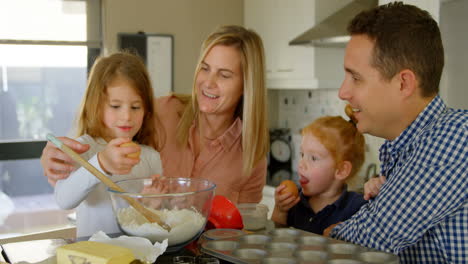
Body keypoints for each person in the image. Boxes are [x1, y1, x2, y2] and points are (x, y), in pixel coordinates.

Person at [41, 25, 269, 204]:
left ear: (247, 86)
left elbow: (242, 228)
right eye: (205, 68)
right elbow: (94, 139)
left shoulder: (252, 156)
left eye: (225, 75)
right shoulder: (160, 112)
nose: (208, 83)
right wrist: (53, 156)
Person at [326, 2, 468, 263]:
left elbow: (361, 241)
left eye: (356, 78)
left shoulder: (455, 137)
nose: (343, 92)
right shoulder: (407, 147)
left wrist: (336, 230)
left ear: (404, 83)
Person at [54, 52, 163, 237]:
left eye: (135, 107)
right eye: (115, 106)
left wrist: (150, 205)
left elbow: (150, 224)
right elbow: (63, 200)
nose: (127, 116)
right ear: (96, 105)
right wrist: (101, 163)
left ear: (146, 110)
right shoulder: (83, 148)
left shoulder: (151, 157)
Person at [271, 114, 367, 235]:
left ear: (341, 170)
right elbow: (276, 237)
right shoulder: (293, 200)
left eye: (313, 158)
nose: (301, 164)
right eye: (302, 154)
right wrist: (280, 211)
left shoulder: (358, 209)